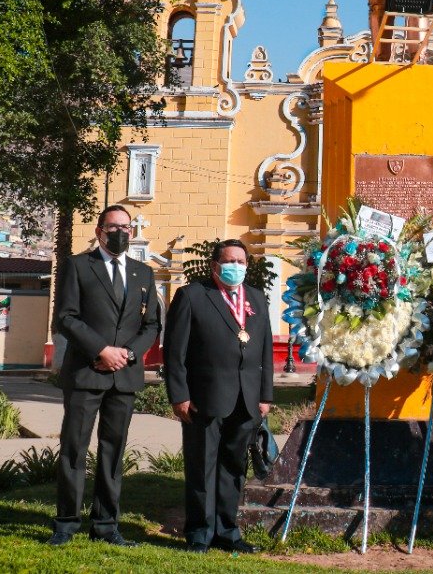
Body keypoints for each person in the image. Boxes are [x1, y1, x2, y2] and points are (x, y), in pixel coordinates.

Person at [49, 205, 161, 547]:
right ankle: (66, 523)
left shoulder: (143, 273)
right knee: (74, 449)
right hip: (86, 372)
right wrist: (101, 350)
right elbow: (66, 317)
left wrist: (126, 353)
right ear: (100, 231)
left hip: (123, 376)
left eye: (127, 228)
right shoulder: (79, 266)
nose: (122, 233)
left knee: (114, 451)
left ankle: (106, 524)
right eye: (115, 227)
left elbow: (152, 324)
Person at [164, 239, 274, 554]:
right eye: (230, 261)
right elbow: (174, 352)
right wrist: (179, 395)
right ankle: (200, 532)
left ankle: (227, 531)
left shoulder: (256, 298)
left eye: (242, 262)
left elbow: (264, 348)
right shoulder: (193, 296)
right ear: (215, 266)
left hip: (247, 398)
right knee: (201, 466)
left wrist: (265, 394)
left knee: (233, 467)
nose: (236, 267)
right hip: (203, 397)